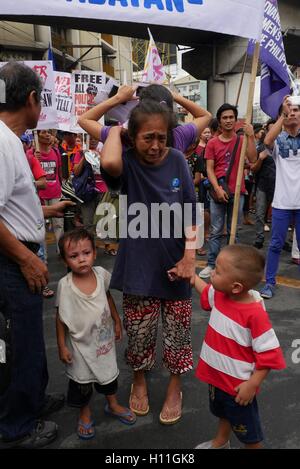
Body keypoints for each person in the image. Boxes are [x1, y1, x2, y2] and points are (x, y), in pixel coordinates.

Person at [100, 100, 199, 424]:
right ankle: (139, 379)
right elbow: (110, 162)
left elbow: (190, 211)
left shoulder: (177, 161)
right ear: (133, 137)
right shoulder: (126, 161)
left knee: (178, 333)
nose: (156, 145)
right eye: (147, 138)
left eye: (162, 137)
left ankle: (175, 386)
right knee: (139, 333)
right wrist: (117, 129)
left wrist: (189, 258)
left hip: (175, 267)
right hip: (138, 266)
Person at [0, 62, 72, 448]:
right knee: (19, 344)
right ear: (30, 99)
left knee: (28, 338)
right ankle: (17, 426)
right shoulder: (2, 142)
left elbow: (9, 207)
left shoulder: (12, 142)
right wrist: (27, 259)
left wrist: (46, 210)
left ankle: (34, 400)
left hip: (17, 255)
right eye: (39, 99)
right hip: (12, 262)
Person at [193, 244, 285, 449]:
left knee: (249, 435)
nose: (212, 273)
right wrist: (191, 277)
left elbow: (269, 355)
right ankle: (221, 441)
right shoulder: (220, 294)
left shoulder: (255, 315)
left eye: (217, 270)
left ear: (236, 287)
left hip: (238, 388)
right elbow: (205, 290)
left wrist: (252, 384)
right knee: (223, 413)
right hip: (217, 379)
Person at [56, 229, 136, 439]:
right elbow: (60, 317)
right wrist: (62, 346)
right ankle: (85, 412)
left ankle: (112, 404)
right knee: (82, 383)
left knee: (108, 376)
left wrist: (117, 321)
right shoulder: (65, 285)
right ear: (64, 259)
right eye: (74, 256)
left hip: (102, 341)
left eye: (86, 253)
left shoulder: (101, 275)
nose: (82, 260)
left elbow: (108, 297)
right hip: (79, 345)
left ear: (94, 252)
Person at [199, 104, 257, 279]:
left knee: (234, 231)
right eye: (225, 117)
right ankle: (211, 264)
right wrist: (216, 188)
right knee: (216, 230)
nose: (228, 120)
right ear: (220, 120)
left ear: (236, 119)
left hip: (237, 192)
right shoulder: (212, 143)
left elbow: (253, 159)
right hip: (218, 192)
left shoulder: (242, 140)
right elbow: (209, 169)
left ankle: (232, 265)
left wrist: (251, 136)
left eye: (231, 117)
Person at [78, 84, 212, 154]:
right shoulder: (179, 136)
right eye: (148, 138)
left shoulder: (123, 137)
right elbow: (206, 116)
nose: (154, 148)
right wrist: (175, 96)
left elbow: (84, 120)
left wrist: (118, 98)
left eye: (161, 138)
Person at [260, 98, 300, 299]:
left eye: (296, 110)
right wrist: (282, 116)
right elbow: (267, 141)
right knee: (275, 244)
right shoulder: (278, 139)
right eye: (289, 111)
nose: (292, 113)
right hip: (282, 203)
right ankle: (269, 283)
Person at [251, 119, 276, 249]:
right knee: (260, 213)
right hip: (262, 185)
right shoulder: (260, 148)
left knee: (279, 215)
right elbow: (253, 168)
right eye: (269, 129)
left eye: (275, 129)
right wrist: (260, 158)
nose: (272, 132)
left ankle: (280, 240)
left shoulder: (283, 147)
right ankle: (259, 238)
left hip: (279, 187)